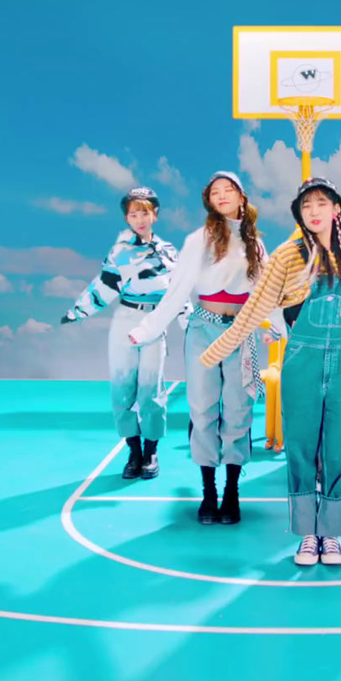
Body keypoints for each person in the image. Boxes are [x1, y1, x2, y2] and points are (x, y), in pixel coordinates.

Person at [202, 177, 341, 567]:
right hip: (301, 362)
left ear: (337, 209)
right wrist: (217, 350)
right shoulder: (288, 256)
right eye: (306, 206)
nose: (314, 211)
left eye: (322, 203)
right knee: (302, 448)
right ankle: (308, 533)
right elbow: (256, 307)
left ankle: (332, 535)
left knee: (338, 448)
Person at [128, 171, 280, 525]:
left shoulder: (255, 242)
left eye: (230, 190)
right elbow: (178, 289)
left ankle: (232, 491)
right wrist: (148, 328)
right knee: (203, 408)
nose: (223, 195)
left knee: (241, 409)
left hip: (241, 329)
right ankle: (208, 491)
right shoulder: (200, 238)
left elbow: (268, 291)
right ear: (209, 201)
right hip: (204, 329)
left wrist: (275, 326)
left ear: (242, 197)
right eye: (216, 192)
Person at [60, 186, 179, 481]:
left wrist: (193, 325)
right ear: (127, 218)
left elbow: (179, 294)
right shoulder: (119, 253)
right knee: (122, 389)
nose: (139, 218)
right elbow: (103, 286)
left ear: (155, 215)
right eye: (133, 213)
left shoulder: (170, 252)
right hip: (126, 319)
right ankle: (133, 450)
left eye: (145, 212)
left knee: (152, 389)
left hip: (155, 321)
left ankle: (151, 450)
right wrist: (78, 311)